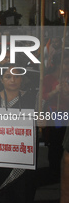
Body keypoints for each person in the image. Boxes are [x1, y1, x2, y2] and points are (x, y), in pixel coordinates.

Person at [0, 65, 37, 203]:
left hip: (25, 159)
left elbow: (41, 124)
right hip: (2, 158)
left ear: (21, 79)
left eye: (16, 76)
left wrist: (43, 121)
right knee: (5, 194)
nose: (13, 80)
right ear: (1, 79)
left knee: (25, 194)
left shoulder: (32, 99)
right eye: (8, 76)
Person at [43, 51, 69, 181]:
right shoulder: (48, 78)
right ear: (59, 64)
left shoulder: (67, 78)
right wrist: (55, 91)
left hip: (67, 112)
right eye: (65, 63)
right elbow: (43, 97)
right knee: (56, 142)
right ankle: (55, 170)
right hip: (56, 113)